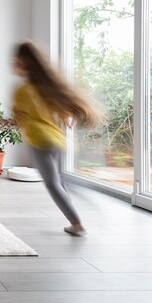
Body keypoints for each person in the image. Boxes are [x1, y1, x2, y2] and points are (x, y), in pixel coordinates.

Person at [12, 40, 103, 236]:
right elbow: (64, 110)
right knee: (59, 180)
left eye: (16, 61)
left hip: (40, 140)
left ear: (24, 62)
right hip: (58, 140)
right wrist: (67, 116)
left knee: (52, 184)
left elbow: (19, 118)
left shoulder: (21, 90)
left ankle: (77, 223)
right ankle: (77, 211)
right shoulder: (48, 87)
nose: (14, 65)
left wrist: (5, 120)